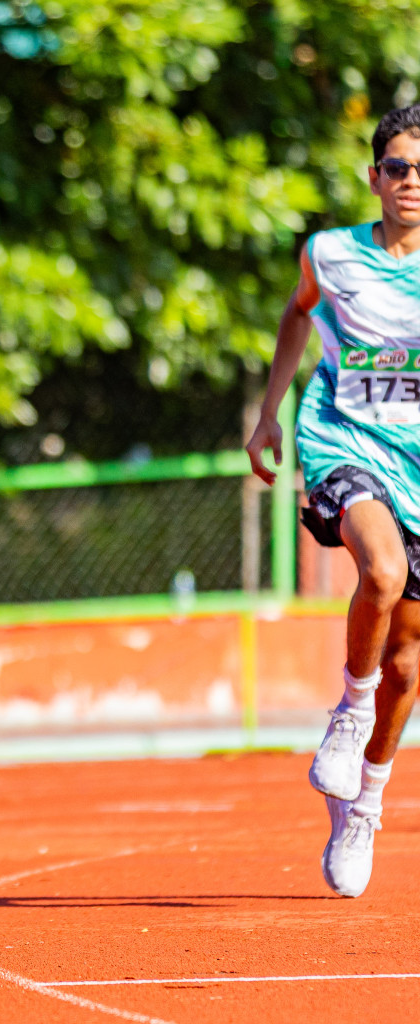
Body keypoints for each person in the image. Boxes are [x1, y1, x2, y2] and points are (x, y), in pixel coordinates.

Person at [247, 104, 420, 898]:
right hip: (344, 442)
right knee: (379, 573)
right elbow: (296, 311)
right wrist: (268, 413)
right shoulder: (332, 254)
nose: (411, 182)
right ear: (375, 176)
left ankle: (366, 805)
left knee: (410, 665)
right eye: (397, 167)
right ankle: (346, 718)